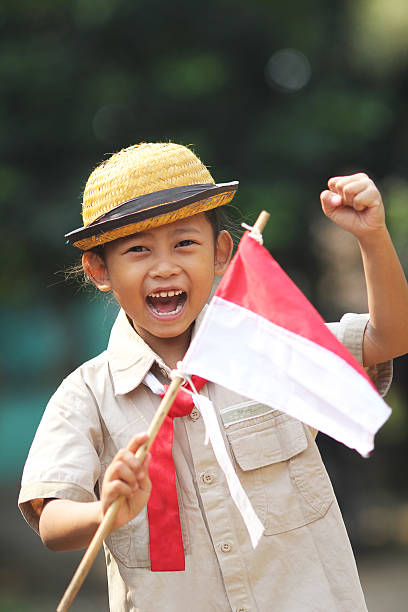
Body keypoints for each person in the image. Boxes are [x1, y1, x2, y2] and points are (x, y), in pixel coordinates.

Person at [18, 142, 408, 611]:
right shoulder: (86, 396)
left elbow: (390, 338)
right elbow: (51, 520)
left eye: (185, 243)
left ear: (222, 252)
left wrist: (372, 237)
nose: (164, 266)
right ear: (99, 269)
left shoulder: (267, 347)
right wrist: (108, 511)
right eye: (138, 250)